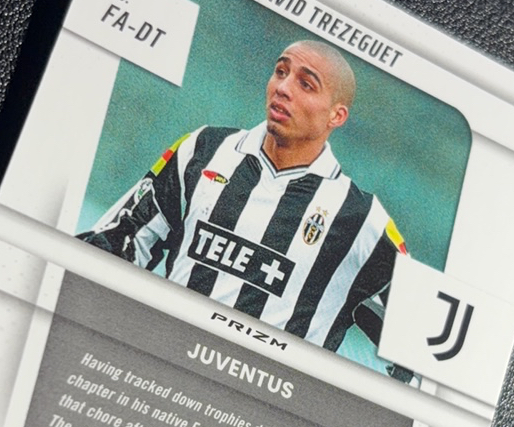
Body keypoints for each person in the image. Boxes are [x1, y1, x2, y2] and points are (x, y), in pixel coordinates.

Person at [78, 40, 410, 371]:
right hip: (160, 374)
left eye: (305, 84)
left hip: (256, 402)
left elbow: (415, 349)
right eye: (280, 72)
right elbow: (118, 241)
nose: (283, 88)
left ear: (336, 115)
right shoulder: (202, 149)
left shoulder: (363, 221)